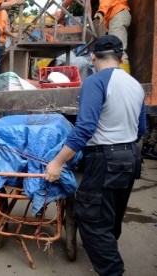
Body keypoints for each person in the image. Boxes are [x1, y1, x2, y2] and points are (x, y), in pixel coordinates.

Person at [44, 35, 146, 276]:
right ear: (121, 57)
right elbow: (141, 128)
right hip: (130, 156)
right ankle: (108, 255)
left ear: (92, 56)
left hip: (106, 159)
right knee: (111, 216)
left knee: (90, 218)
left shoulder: (95, 81)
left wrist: (57, 161)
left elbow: (85, 128)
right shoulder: (135, 85)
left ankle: (112, 270)